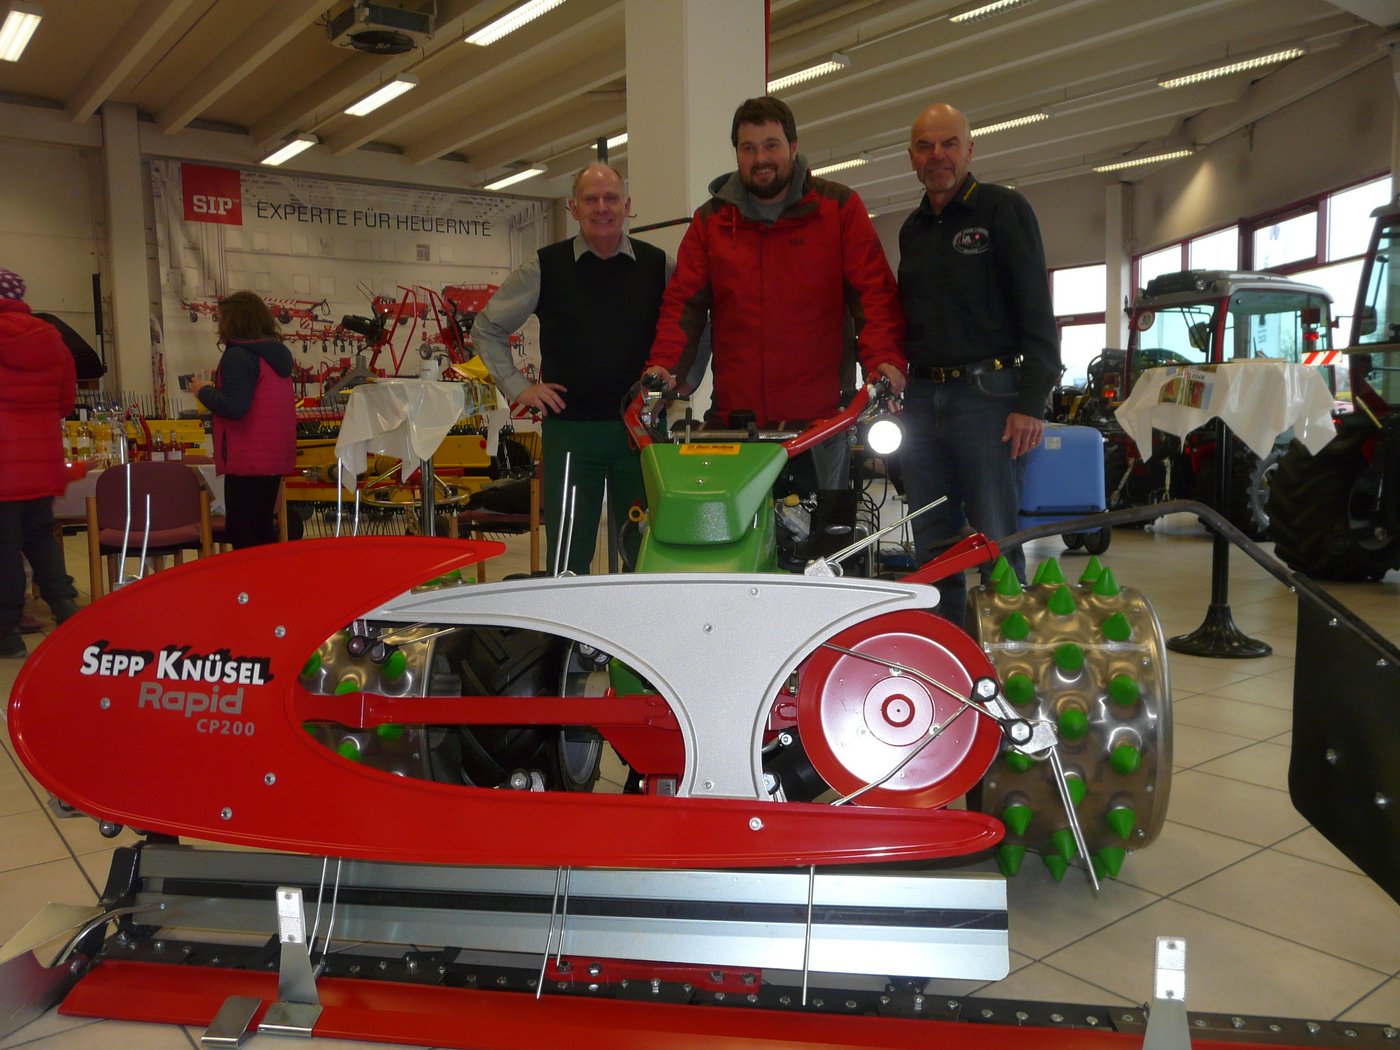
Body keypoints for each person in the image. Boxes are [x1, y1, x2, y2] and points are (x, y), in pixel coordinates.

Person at [646, 95, 906, 489]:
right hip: (735, 424)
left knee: (821, 545)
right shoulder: (711, 221)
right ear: (737, 154)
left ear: (793, 147)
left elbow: (873, 295)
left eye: (771, 145)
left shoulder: (838, 209)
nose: (760, 158)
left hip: (819, 423)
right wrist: (665, 369)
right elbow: (684, 305)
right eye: (748, 148)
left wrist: (885, 362)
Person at [896, 103, 1060, 622]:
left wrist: (1031, 400)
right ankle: (947, 658)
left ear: (970, 149)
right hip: (922, 402)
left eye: (948, 144)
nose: (937, 155)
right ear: (912, 157)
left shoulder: (1002, 210)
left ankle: (1005, 664)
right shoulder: (912, 229)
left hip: (988, 398)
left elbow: (1036, 308)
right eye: (925, 145)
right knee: (933, 545)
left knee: (996, 543)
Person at [473, 163, 671, 575]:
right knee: (568, 554)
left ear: (627, 205)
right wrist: (518, 386)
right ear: (573, 207)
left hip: (641, 433)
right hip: (571, 434)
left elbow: (697, 324)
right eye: (591, 199)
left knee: (646, 551)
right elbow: (487, 328)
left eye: (611, 198)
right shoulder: (546, 267)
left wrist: (679, 377)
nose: (602, 208)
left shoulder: (658, 268)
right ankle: (569, 640)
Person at [0, 267, 80, 658]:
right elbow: (66, 404)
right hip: (42, 460)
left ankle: (6, 633)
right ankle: (67, 610)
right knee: (39, 538)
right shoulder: (54, 340)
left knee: (4, 546)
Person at [189, 291, 295, 549]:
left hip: (246, 459)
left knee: (244, 537)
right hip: (273, 457)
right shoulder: (275, 355)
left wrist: (203, 390)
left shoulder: (239, 356)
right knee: (262, 531)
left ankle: (249, 589)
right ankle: (268, 586)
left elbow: (235, 407)